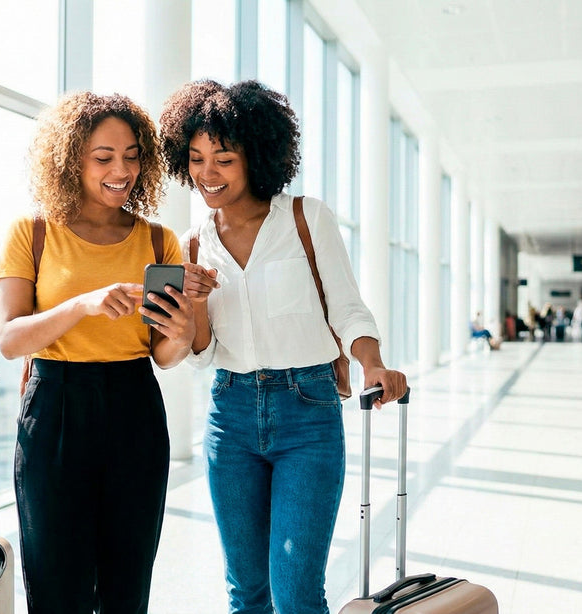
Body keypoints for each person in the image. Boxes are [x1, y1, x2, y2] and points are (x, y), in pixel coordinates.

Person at [159, 79, 408, 614]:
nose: (208, 174)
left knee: (295, 592)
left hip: (308, 412)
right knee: (246, 593)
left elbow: (346, 307)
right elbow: (201, 353)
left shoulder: (304, 217)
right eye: (197, 159)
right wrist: (196, 300)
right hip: (230, 416)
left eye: (223, 158)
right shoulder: (194, 241)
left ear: (257, 156)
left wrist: (373, 362)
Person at [0, 92, 195, 612]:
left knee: (128, 584)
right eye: (103, 157)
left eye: (131, 155)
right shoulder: (32, 233)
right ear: (71, 159)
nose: (120, 169)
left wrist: (183, 324)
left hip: (134, 406)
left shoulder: (158, 241)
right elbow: (12, 339)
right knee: (56, 581)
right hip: (56, 405)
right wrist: (81, 305)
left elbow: (164, 356)